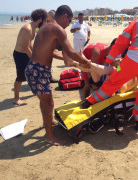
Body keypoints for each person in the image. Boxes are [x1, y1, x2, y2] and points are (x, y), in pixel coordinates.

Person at [81, 1, 138, 132]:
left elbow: (121, 41)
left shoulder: (137, 22)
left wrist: (109, 59)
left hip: (130, 60)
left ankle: (89, 101)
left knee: (114, 80)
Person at [25, 5, 91, 146]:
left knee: (45, 101)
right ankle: (49, 136)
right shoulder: (57, 29)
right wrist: (86, 62)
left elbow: (52, 52)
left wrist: (70, 60)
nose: (68, 25)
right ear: (65, 16)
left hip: (34, 69)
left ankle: (46, 123)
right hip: (39, 70)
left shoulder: (47, 26)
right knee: (49, 103)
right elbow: (71, 52)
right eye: (69, 21)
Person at [13, 9, 47, 105]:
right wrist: (34, 59)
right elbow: (25, 47)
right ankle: (16, 98)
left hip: (25, 53)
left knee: (34, 72)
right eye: (44, 20)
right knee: (20, 77)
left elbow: (29, 44)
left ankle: (37, 90)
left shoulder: (33, 27)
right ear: (40, 19)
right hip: (20, 55)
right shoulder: (27, 28)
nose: (45, 23)